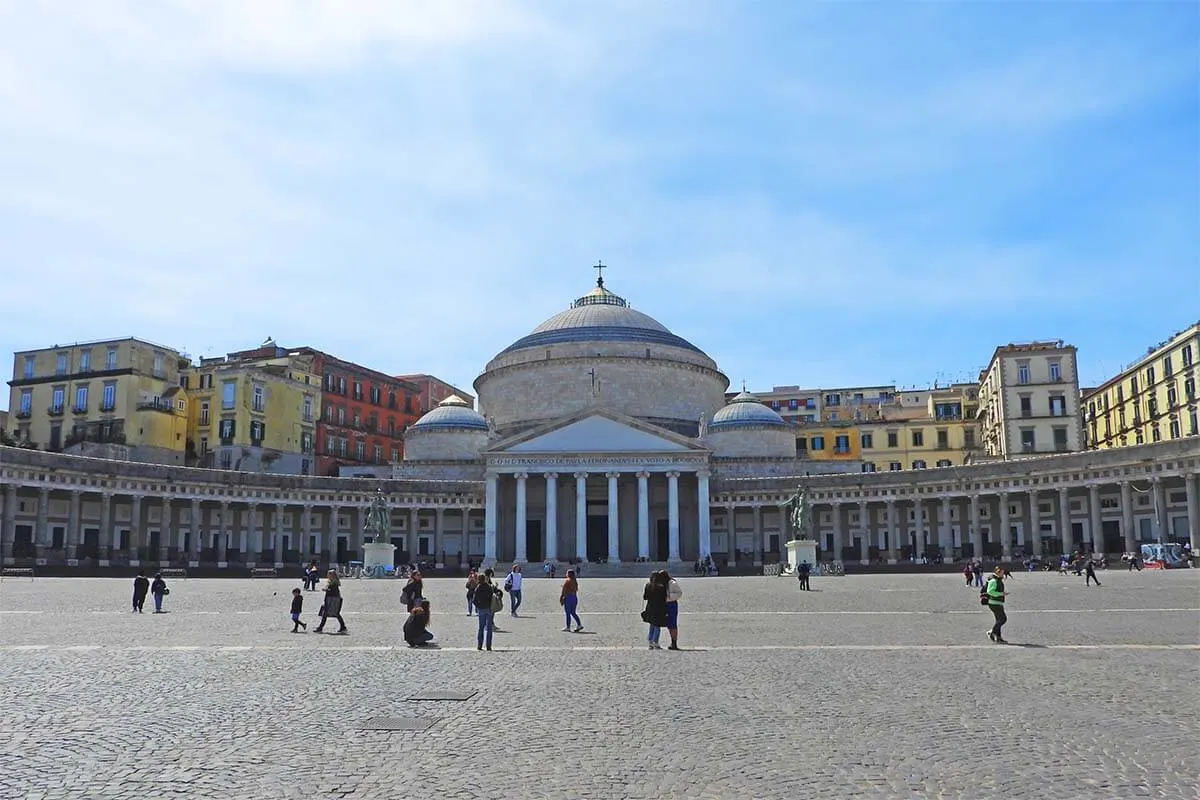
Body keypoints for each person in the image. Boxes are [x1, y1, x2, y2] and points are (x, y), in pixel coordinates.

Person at [472, 573, 501, 651]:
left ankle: (479, 645)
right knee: (489, 629)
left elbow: (474, 600)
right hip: (489, 609)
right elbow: (498, 593)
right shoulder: (489, 587)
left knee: (481, 628)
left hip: (481, 609)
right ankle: (489, 646)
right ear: (485, 579)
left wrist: (479, 606)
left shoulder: (478, 588)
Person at [314, 569, 347, 634]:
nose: (327, 576)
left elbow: (333, 591)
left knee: (333, 613)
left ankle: (320, 628)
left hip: (332, 600)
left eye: (329, 574)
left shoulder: (334, 582)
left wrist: (326, 590)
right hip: (330, 599)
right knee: (330, 614)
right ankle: (343, 627)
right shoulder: (331, 582)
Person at [642, 571, 669, 650]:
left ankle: (650, 641)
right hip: (659, 608)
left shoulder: (648, 585)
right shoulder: (662, 587)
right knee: (657, 625)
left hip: (650, 607)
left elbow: (645, 597)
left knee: (652, 624)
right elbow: (664, 598)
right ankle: (655, 642)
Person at [984, 566, 1009, 643]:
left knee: (998, 621)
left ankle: (998, 638)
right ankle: (991, 632)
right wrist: (1002, 594)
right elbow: (990, 591)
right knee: (1003, 619)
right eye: (1002, 572)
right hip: (994, 603)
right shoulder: (994, 580)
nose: (1003, 574)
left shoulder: (997, 579)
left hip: (997, 603)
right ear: (997, 572)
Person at [664, 570, 683, 650]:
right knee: (669, 624)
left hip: (671, 604)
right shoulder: (662, 582)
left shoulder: (672, 583)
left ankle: (674, 642)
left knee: (673, 624)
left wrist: (669, 597)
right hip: (664, 604)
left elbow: (679, 593)